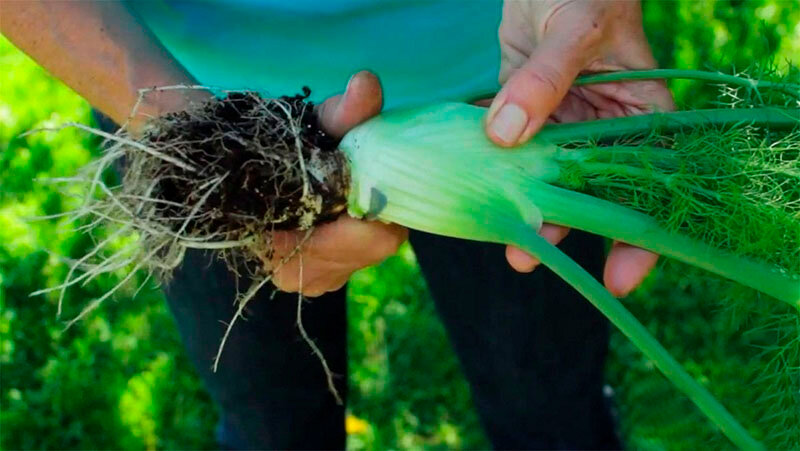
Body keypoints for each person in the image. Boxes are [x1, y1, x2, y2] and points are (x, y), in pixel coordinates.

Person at [2, 1, 673, 448]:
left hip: (520, 91)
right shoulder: (196, 132)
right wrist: (198, 141)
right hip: (186, 109)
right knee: (271, 421)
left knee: (548, 399)